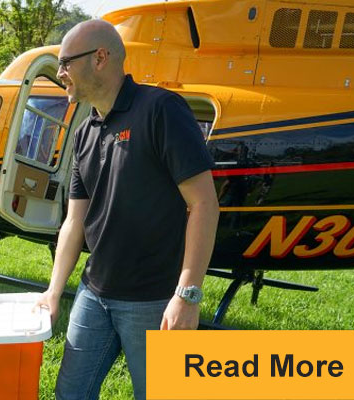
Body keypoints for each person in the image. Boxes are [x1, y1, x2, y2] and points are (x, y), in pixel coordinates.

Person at [35, 20, 220, 400]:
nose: (60, 74)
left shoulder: (161, 110)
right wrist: (54, 291)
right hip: (93, 294)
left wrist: (187, 295)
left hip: (152, 301)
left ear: (100, 58)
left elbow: (203, 203)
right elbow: (75, 221)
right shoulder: (85, 132)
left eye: (66, 62)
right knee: (70, 394)